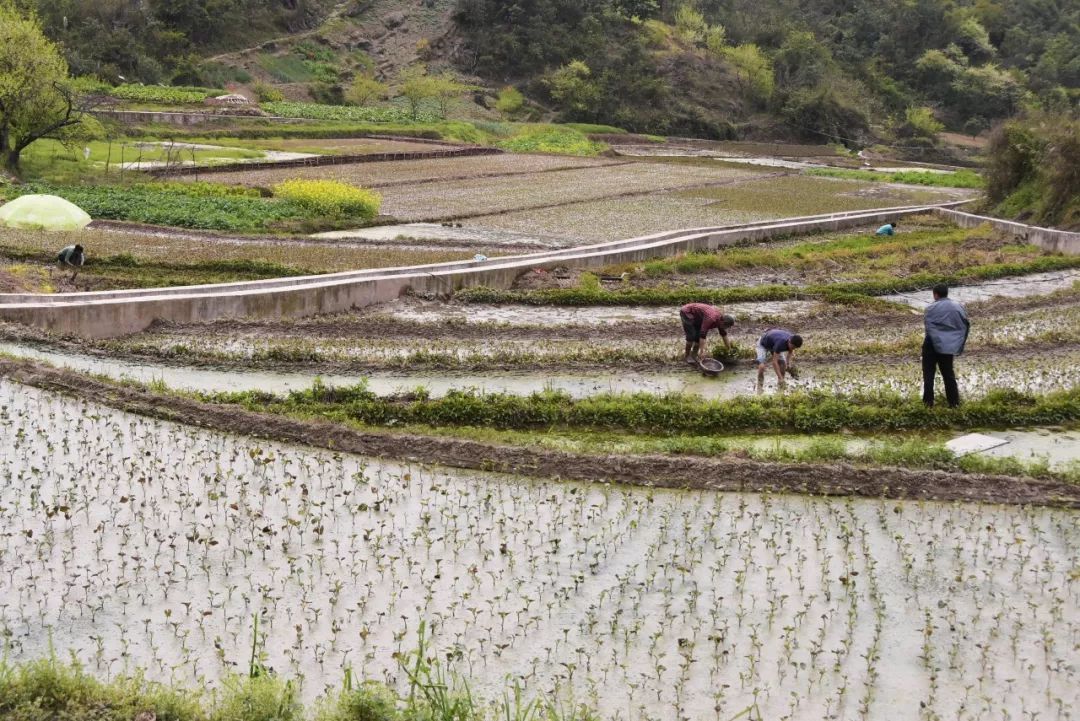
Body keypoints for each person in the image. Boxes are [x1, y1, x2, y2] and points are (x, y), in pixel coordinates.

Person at [922, 284, 970, 408]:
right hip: (947, 347)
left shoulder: (930, 308)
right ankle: (954, 404)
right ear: (946, 293)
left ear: (935, 294)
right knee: (948, 375)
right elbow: (964, 325)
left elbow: (928, 326)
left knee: (928, 375)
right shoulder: (958, 307)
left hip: (931, 344)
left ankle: (928, 404)